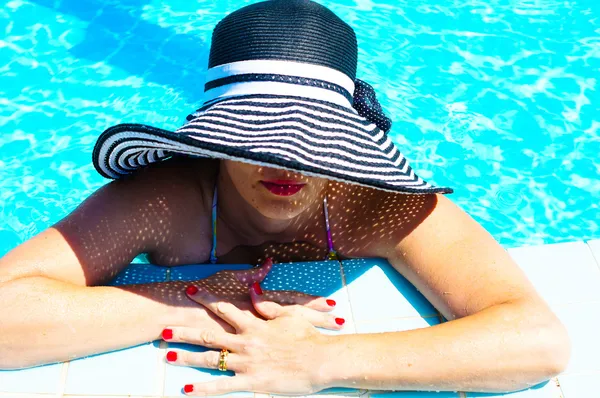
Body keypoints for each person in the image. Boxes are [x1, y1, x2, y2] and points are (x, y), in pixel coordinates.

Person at [0, 0, 569, 395]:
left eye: (317, 140)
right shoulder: (164, 202)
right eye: (257, 138)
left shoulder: (379, 207)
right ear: (217, 141)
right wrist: (183, 299)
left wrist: (322, 361)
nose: (285, 162)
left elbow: (535, 340)